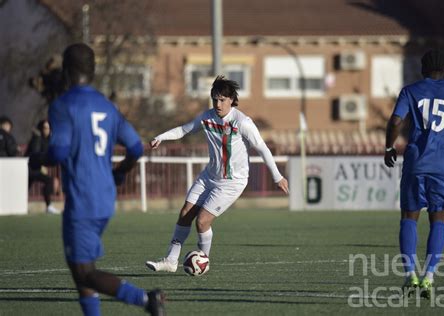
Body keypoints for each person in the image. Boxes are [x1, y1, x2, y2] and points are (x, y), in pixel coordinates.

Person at [47, 43, 164, 316]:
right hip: (105, 196)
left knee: (84, 272)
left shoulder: (63, 105)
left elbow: (59, 151)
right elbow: (135, 148)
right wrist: (121, 171)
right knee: (82, 272)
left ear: (66, 70)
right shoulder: (107, 106)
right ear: (94, 70)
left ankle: (146, 300)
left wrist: (40, 158)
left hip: (82, 199)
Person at [145, 76, 289, 273]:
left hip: (232, 182)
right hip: (209, 177)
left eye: (222, 100)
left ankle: (202, 262)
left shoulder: (242, 122)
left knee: (202, 221)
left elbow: (262, 148)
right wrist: (161, 137)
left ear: (231, 100)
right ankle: (171, 261)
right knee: (185, 213)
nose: (218, 104)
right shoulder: (207, 117)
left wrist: (277, 177)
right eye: (215, 99)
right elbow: (184, 130)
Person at [384, 50, 444, 299]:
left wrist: (389, 147)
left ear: (422, 69)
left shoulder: (410, 90)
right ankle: (429, 277)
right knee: (438, 220)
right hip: (442, 169)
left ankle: (409, 274)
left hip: (415, 164)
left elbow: (395, 121)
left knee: (409, 218)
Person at [25, 119, 60, 214]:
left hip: (36, 168)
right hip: (29, 167)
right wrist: (46, 162)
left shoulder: (49, 140)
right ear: (41, 128)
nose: (47, 130)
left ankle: (48, 206)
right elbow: (35, 155)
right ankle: (48, 206)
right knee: (48, 181)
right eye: (45, 128)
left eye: (49, 128)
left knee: (27, 186)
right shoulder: (37, 139)